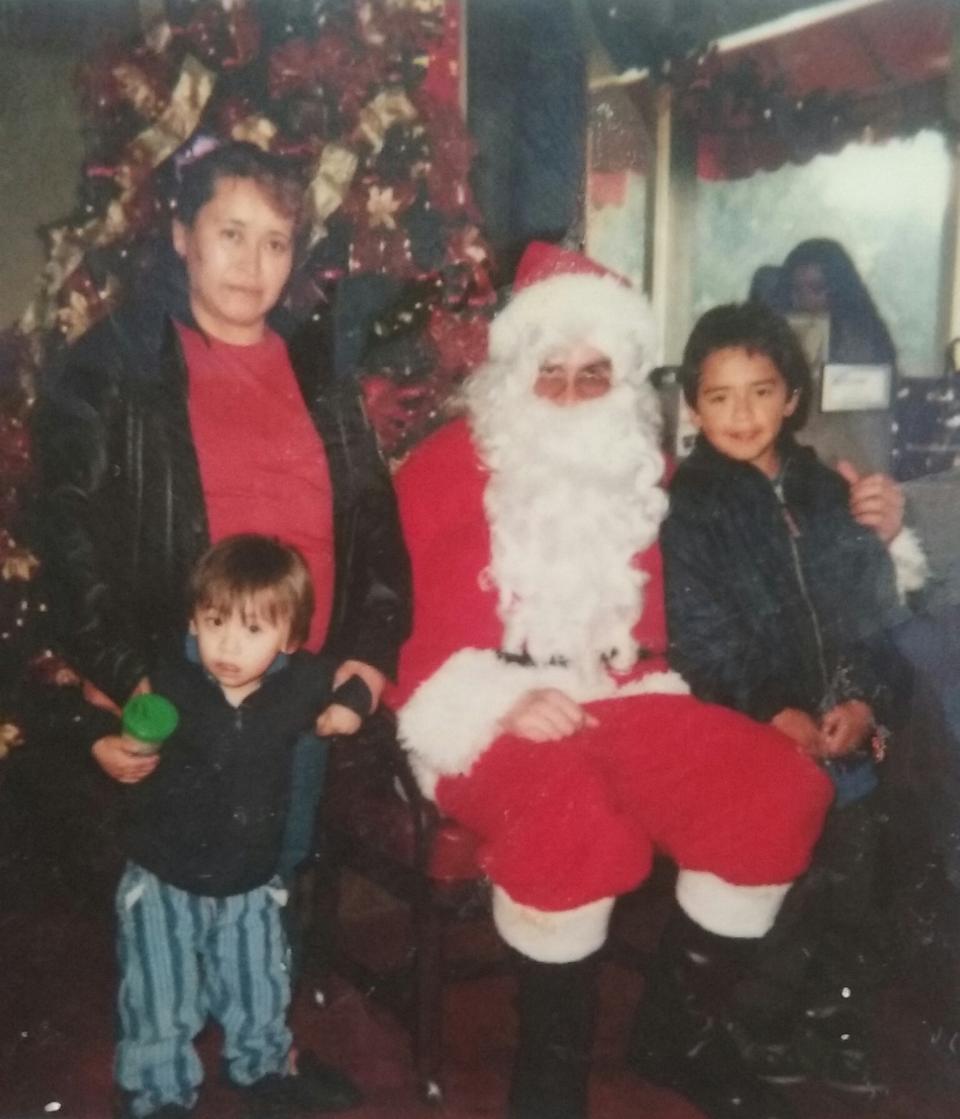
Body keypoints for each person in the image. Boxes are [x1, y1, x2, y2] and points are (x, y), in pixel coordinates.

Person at [388, 241, 836, 1119]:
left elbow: (747, 566)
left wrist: (860, 516)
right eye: (549, 372)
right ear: (514, 373)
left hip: (632, 692)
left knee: (776, 788)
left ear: (622, 383)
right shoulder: (443, 467)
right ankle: (548, 1079)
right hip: (483, 710)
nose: (567, 394)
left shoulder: (648, 472)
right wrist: (502, 701)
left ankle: (675, 1030)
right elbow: (409, 638)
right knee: (569, 819)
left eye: (593, 375)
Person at [31, 141, 411, 1103]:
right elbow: (69, 546)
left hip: (294, 684)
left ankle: (262, 1055)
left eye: (276, 241)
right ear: (180, 236)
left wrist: (367, 661)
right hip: (179, 686)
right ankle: (161, 1075)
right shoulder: (115, 368)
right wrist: (131, 683)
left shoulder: (320, 371)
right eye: (230, 233)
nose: (252, 263)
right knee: (167, 898)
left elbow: (375, 529)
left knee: (269, 878)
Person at [661, 302, 909, 1096]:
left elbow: (873, 613)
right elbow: (702, 636)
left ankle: (834, 1016)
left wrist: (864, 702)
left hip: (843, 723)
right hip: (753, 724)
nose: (742, 414)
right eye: (720, 396)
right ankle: (757, 1022)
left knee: (854, 880)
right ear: (693, 408)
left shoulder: (826, 489)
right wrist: (775, 708)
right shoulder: (688, 506)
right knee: (785, 886)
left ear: (793, 396)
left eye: (761, 391)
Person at [101, 534, 369, 1119]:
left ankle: (263, 1065)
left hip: (250, 876)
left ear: (290, 639)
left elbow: (353, 680)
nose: (227, 644)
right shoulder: (168, 677)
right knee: (160, 994)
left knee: (259, 983)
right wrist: (110, 741)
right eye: (214, 621)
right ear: (193, 620)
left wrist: (351, 705)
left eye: (253, 629)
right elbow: (102, 704)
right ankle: (158, 1093)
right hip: (164, 876)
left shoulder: (302, 682)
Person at [778, 237, 898, 473]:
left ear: (838, 291)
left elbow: (870, 436)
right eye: (797, 290)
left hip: (849, 470)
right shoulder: (777, 341)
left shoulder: (864, 344)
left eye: (816, 289)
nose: (805, 300)